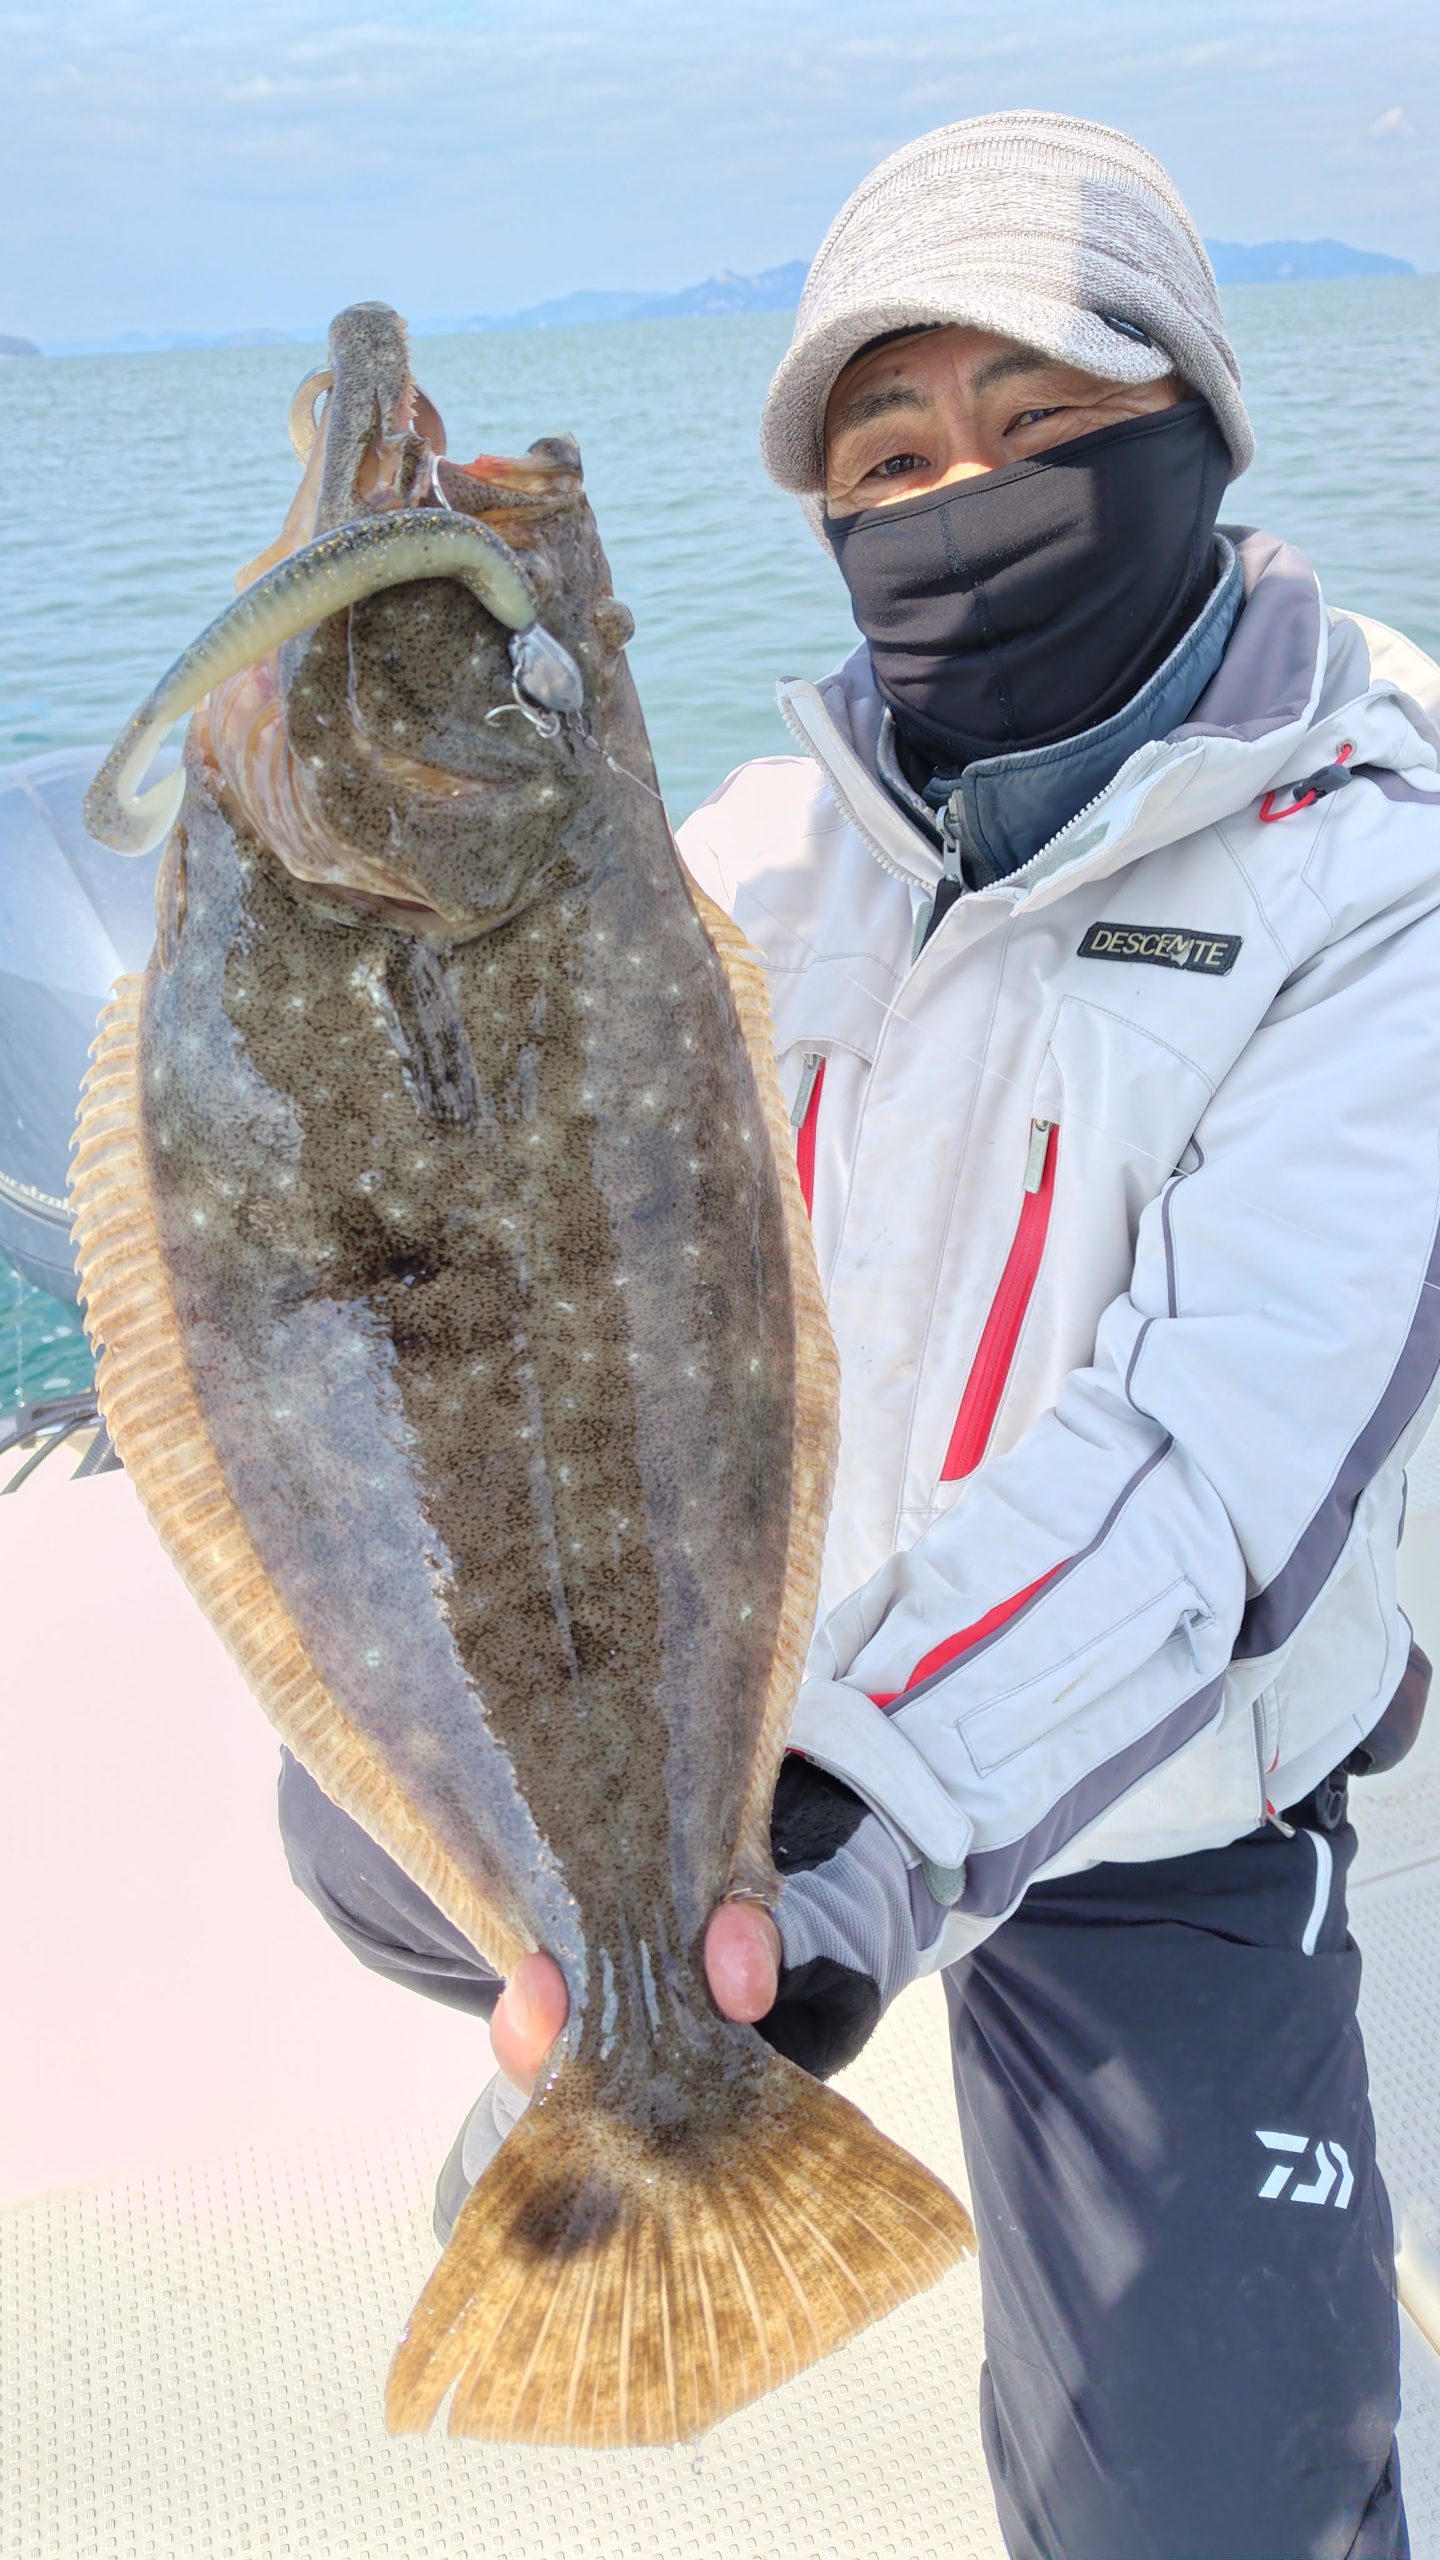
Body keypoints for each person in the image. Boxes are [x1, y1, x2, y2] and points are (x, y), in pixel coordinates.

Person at [277, 113, 1440, 2558]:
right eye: (889, 455)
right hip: (744, 1722)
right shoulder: (750, 854)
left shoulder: (1381, 863)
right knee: (349, 1808)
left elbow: (1205, 1462)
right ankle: (613, 2028)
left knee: (1220, 2512)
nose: (957, 498)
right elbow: (495, 1232)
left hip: (1131, 1808)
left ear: (1199, 436)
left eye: (1041, 434)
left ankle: (663, 2009)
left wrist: (843, 1837)